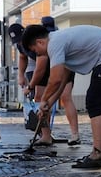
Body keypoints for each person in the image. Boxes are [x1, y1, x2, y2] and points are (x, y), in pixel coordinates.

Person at [22, 24, 101, 169]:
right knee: (99, 104)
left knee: (94, 103)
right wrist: (49, 103)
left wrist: (44, 100)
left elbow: (55, 79)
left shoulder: (54, 44)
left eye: (36, 51)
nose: (38, 55)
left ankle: (98, 153)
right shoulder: (59, 42)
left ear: (40, 42)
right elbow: (62, 81)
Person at [30, 17, 82, 145]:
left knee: (63, 97)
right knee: (45, 99)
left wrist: (32, 86)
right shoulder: (47, 39)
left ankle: (73, 134)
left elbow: (43, 69)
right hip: (52, 69)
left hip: (62, 67)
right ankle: (47, 135)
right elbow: (39, 68)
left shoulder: (51, 40)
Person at [9, 22, 55, 146]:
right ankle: (44, 133)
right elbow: (23, 58)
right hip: (40, 69)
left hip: (49, 67)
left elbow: (40, 68)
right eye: (17, 41)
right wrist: (21, 75)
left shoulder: (34, 42)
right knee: (40, 100)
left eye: (20, 40)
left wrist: (30, 86)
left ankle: (46, 135)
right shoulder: (20, 45)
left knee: (41, 99)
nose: (20, 43)